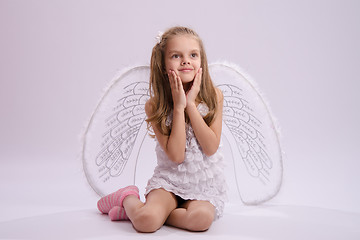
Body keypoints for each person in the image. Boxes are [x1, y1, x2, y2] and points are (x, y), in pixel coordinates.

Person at [97, 26, 226, 232]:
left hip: (203, 187)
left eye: (193, 55)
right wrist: (179, 106)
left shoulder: (214, 96)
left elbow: (210, 147)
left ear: (202, 61)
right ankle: (128, 198)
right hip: (169, 182)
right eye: (176, 56)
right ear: (164, 65)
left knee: (200, 220)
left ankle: (158, 213)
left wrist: (191, 105)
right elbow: (176, 155)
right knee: (146, 222)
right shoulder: (154, 105)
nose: (186, 61)